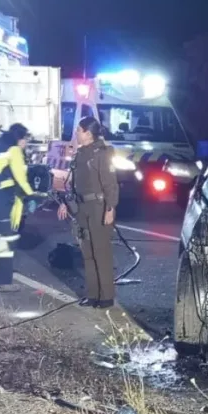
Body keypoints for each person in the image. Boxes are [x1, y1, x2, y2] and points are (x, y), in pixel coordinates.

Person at [57, 116, 119, 308]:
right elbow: (73, 183)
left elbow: (110, 183)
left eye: (79, 129)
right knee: (87, 253)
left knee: (101, 252)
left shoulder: (102, 154)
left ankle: (106, 296)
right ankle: (93, 294)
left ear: (88, 133)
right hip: (82, 208)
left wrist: (110, 208)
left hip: (98, 207)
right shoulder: (80, 154)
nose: (76, 132)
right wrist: (65, 203)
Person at [0, 123, 36, 292]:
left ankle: (4, 272)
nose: (27, 142)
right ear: (20, 138)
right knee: (6, 240)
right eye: (26, 139)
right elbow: (20, 177)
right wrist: (31, 195)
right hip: (2, 199)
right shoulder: (14, 151)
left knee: (0, 238)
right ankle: (2, 281)